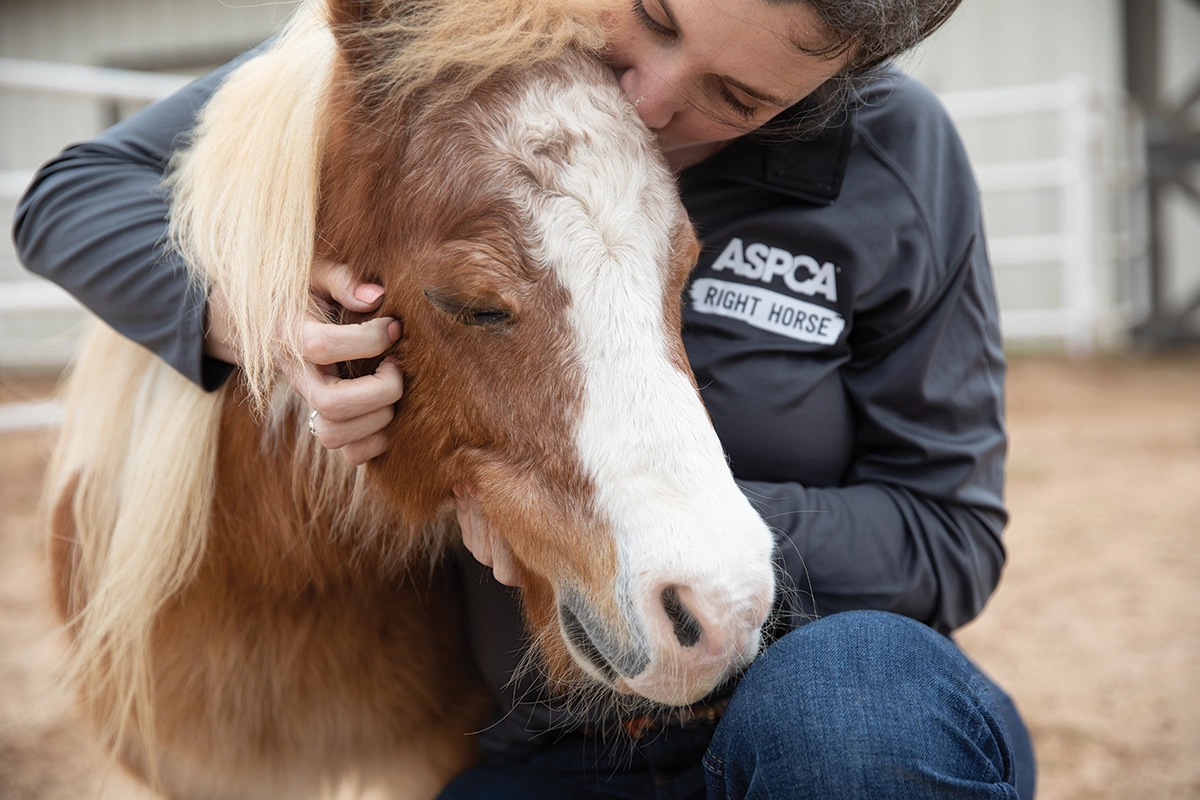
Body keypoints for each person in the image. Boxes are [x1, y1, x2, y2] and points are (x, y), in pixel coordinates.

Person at [13, 0, 1037, 797]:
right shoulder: (498, 44)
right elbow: (72, 194)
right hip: (539, 732)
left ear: (834, 84)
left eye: (736, 95)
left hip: (818, 690)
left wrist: (645, 519)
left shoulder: (895, 157)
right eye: (656, 18)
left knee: (848, 716)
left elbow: (951, 535)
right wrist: (265, 318)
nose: (647, 98)